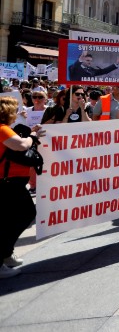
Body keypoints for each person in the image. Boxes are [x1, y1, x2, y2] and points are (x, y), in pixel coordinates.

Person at [0, 96, 45, 278]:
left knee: (11, 219)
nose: (18, 113)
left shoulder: (5, 130)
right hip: (8, 184)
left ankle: (6, 254)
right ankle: (2, 257)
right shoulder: (2, 129)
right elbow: (20, 145)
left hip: (11, 182)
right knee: (24, 215)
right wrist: (31, 138)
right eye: (15, 110)